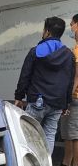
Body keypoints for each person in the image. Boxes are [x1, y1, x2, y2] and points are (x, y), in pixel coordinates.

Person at [14, 16, 76, 153]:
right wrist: (66, 103)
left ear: (47, 31)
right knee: (49, 135)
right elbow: (69, 81)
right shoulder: (69, 55)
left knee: (29, 134)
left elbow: (25, 75)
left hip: (37, 100)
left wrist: (18, 96)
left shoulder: (36, 51)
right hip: (57, 103)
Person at [54, 14, 78, 166]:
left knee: (71, 133)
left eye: (72, 24)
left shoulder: (77, 51)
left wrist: (67, 98)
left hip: (74, 97)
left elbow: (76, 77)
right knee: (71, 132)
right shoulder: (74, 49)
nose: (70, 27)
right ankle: (69, 165)